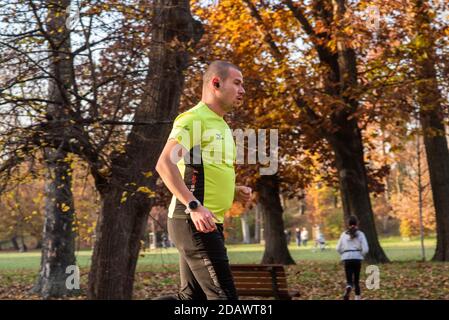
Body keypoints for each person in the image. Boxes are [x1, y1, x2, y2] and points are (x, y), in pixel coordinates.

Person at [155, 61, 251, 300]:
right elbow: (164, 163)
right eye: (237, 83)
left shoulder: (220, 124)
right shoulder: (194, 119)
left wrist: (233, 190)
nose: (243, 90)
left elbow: (206, 169)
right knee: (224, 298)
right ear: (216, 83)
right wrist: (193, 206)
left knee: (190, 300)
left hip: (206, 222)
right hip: (193, 220)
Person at [336, 216, 369, 300]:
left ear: (348, 224)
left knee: (349, 279)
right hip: (357, 258)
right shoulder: (361, 234)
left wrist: (343, 254)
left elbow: (338, 248)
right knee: (356, 280)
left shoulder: (344, 234)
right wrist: (361, 255)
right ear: (357, 223)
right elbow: (365, 249)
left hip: (347, 258)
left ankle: (349, 287)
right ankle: (357, 298)